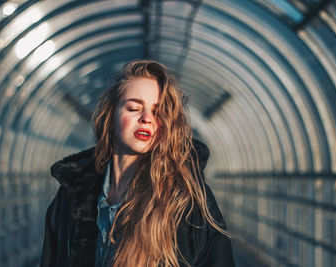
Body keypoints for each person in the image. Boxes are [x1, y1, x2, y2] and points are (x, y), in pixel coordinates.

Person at [40, 60, 235, 267]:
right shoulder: (72, 194)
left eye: (158, 112)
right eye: (134, 108)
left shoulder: (187, 199)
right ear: (111, 117)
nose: (147, 118)